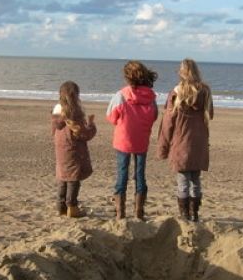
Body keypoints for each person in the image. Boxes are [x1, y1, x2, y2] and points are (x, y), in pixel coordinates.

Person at [158, 58, 213, 222]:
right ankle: (194, 214)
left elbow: (168, 123)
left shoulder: (176, 92)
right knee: (195, 180)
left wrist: (163, 148)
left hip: (181, 143)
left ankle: (185, 215)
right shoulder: (205, 91)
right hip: (199, 143)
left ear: (181, 72)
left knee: (183, 182)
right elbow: (210, 114)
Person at [106, 60, 158, 220]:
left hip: (123, 140)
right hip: (141, 140)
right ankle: (138, 212)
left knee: (122, 173)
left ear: (128, 77)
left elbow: (111, 117)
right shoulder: (150, 96)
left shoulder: (121, 95)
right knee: (140, 174)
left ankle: (120, 213)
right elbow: (154, 116)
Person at [51, 81, 96, 218]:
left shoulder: (57, 110)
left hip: (61, 148)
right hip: (73, 149)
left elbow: (54, 131)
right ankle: (72, 207)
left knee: (62, 177)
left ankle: (61, 207)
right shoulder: (74, 113)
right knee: (73, 178)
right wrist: (91, 125)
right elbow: (84, 134)